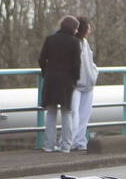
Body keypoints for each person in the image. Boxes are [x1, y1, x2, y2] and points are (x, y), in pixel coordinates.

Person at [38, 16, 81, 152]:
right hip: (67, 81)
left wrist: (46, 72)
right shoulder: (74, 42)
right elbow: (76, 64)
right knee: (66, 112)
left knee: (51, 113)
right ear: (73, 29)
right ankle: (66, 146)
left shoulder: (50, 39)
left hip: (51, 79)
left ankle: (48, 145)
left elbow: (41, 59)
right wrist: (75, 79)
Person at [69, 16, 99, 151]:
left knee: (84, 116)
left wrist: (93, 73)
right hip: (76, 84)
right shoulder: (74, 42)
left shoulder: (85, 43)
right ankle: (70, 141)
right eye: (88, 27)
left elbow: (90, 62)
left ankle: (79, 141)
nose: (90, 30)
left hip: (87, 84)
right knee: (74, 115)